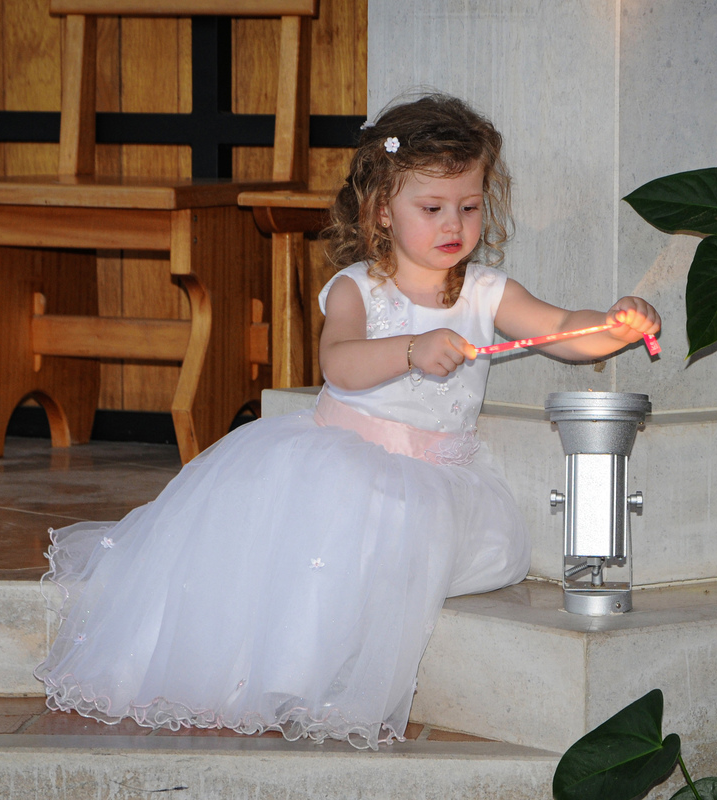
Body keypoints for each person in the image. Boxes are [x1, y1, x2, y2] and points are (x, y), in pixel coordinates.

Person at [34, 93, 661, 750]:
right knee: (340, 534)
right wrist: (411, 349)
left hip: (441, 478)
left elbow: (561, 329)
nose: (454, 224)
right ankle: (281, 682)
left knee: (441, 544)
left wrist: (614, 325)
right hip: (342, 460)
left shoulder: (485, 291)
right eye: (432, 208)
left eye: (470, 207)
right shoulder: (358, 287)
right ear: (383, 209)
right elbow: (339, 364)